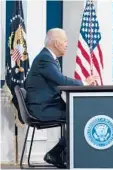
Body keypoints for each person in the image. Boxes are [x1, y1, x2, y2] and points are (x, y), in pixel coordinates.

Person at [25, 28, 97, 168]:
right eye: (65, 41)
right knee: (79, 115)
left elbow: (59, 80)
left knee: (79, 113)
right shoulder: (44, 59)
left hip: (46, 106)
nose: (67, 44)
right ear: (57, 43)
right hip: (41, 110)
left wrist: (82, 82)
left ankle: (62, 153)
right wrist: (84, 83)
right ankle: (58, 154)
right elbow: (61, 80)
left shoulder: (48, 58)